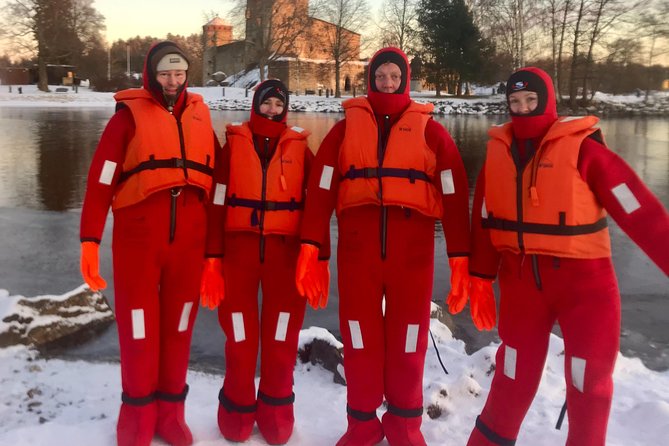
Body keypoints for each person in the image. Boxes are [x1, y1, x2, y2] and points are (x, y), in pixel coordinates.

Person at [461, 67, 669, 446]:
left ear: (549, 103)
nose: (523, 110)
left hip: (585, 289)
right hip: (522, 286)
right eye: (515, 103)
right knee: (511, 371)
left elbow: (639, 212)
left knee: (586, 381)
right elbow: (486, 218)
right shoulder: (499, 154)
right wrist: (480, 275)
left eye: (531, 101)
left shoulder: (584, 149)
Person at [295, 47, 471, 446]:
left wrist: (460, 257)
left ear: (404, 79)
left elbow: (454, 191)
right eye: (381, 77)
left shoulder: (431, 132)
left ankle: (404, 424)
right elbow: (321, 188)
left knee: (410, 341)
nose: (388, 83)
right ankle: (361, 424)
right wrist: (313, 248)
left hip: (412, 254)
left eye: (394, 76)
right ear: (370, 80)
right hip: (359, 253)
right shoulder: (344, 130)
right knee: (358, 341)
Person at [79, 41, 218, 446]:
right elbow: (102, 179)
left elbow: (222, 179)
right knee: (139, 331)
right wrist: (90, 239)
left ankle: (171, 413)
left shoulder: (200, 116)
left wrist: (217, 255)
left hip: (188, 246)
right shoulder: (127, 118)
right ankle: (137, 417)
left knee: (178, 329)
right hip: (139, 242)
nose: (173, 81)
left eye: (179, 73)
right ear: (151, 75)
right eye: (165, 73)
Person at [199, 79, 329, 445]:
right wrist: (211, 258)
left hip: (285, 258)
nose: (271, 110)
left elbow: (318, 203)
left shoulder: (301, 150)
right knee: (240, 338)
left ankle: (276, 407)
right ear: (254, 104)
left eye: (277, 104)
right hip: (238, 255)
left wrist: (320, 255)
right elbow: (217, 203)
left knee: (281, 337)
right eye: (265, 103)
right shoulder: (232, 147)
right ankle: (237, 407)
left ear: (285, 109)